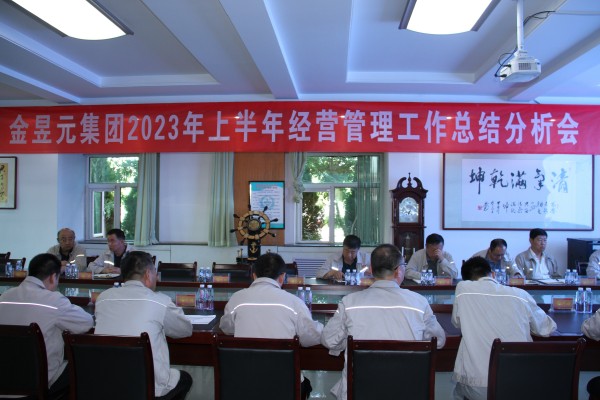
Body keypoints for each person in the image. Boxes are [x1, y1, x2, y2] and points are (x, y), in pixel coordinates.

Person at [321, 244, 446, 400]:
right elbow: (438, 341)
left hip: (360, 390)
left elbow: (329, 340)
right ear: (398, 271)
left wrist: (342, 344)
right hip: (407, 391)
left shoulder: (350, 302)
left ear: (371, 269)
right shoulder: (419, 303)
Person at [220, 252, 323, 399]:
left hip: (244, 382)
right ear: (282, 277)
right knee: (304, 383)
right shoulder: (294, 302)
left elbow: (227, 328)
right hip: (283, 384)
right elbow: (310, 338)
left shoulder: (237, 299)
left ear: (254, 275)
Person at [452, 256, 557, 400]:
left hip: (479, 387)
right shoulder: (520, 294)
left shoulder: (463, 289)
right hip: (520, 384)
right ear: (493, 274)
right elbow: (546, 329)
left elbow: (457, 322)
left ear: (466, 280)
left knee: (457, 392)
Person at [94, 251, 193, 399]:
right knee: (185, 379)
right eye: (155, 272)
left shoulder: (103, 298)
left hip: (107, 383)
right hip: (146, 387)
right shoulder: (159, 301)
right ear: (148, 274)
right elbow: (185, 330)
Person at [0, 253, 94, 396]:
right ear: (52, 277)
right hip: (40, 383)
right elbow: (87, 322)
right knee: (84, 362)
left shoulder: (4, 297)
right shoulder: (54, 301)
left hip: (4, 381)